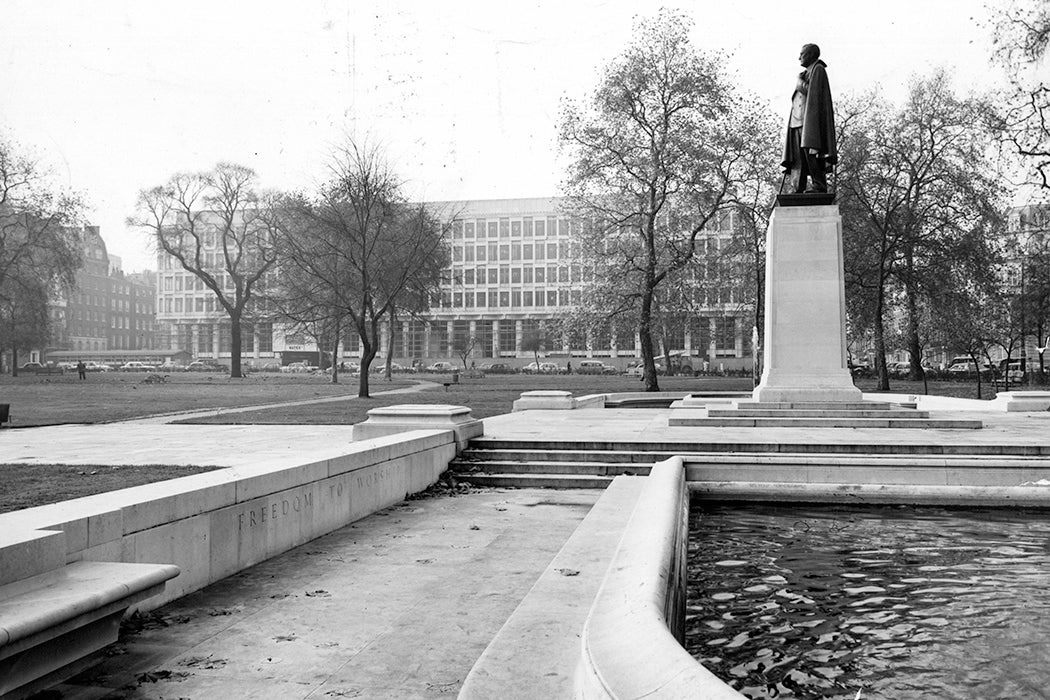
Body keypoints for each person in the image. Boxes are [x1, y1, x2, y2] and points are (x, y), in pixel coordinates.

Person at [781, 43, 836, 194]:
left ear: (811, 55)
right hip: (797, 120)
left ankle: (819, 185)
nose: (799, 57)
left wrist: (799, 83)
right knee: (797, 156)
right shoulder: (805, 73)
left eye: (802, 54)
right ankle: (797, 187)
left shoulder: (818, 69)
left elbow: (814, 93)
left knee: (812, 153)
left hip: (809, 121)